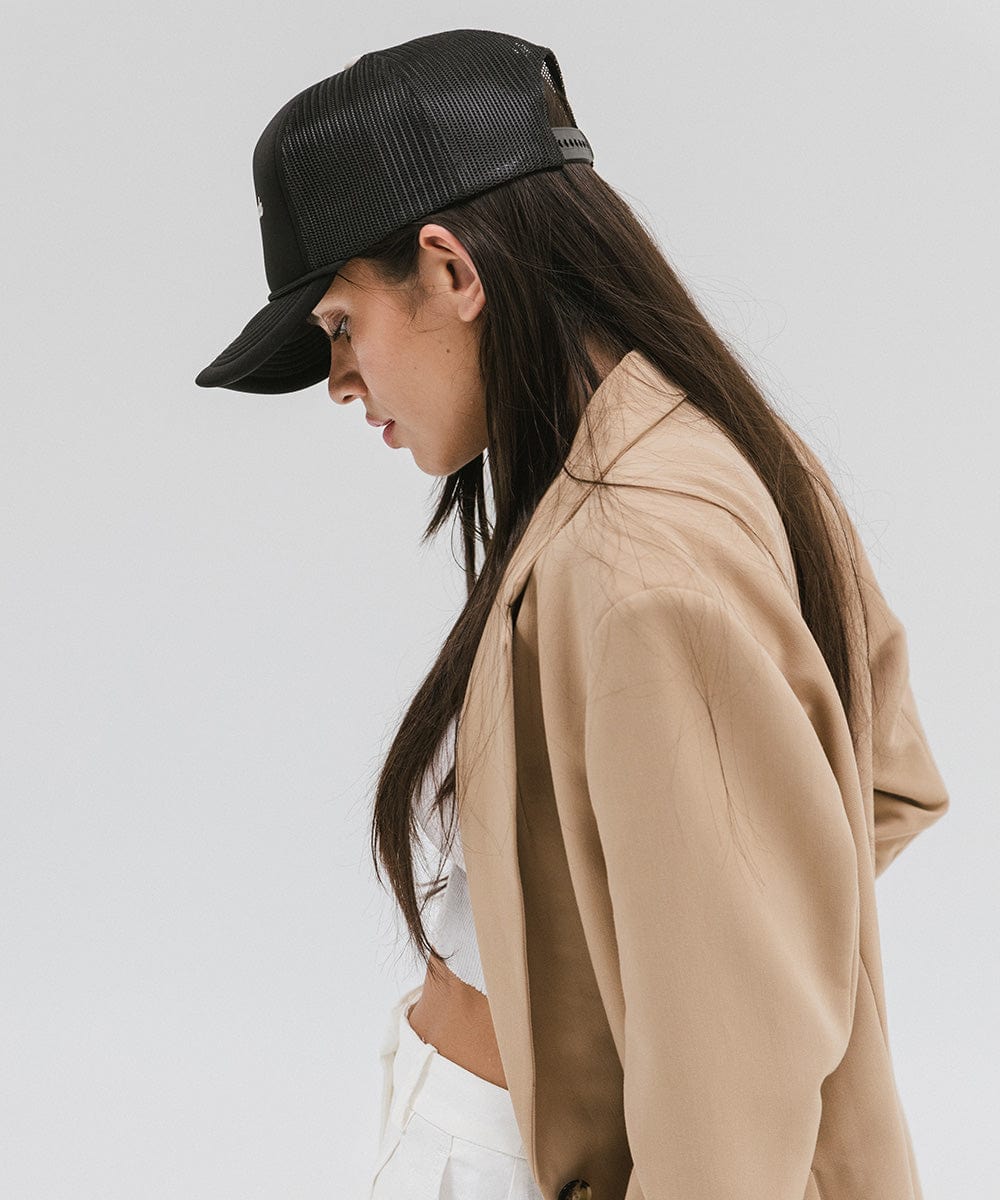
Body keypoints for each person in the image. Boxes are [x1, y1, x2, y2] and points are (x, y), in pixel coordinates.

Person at [193, 28, 951, 1200]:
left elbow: (728, 1098)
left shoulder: (638, 561)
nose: (339, 379)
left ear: (451, 270)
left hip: (521, 1161)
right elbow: (877, 782)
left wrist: (713, 965)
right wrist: (697, 933)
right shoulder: (705, 451)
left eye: (340, 325)